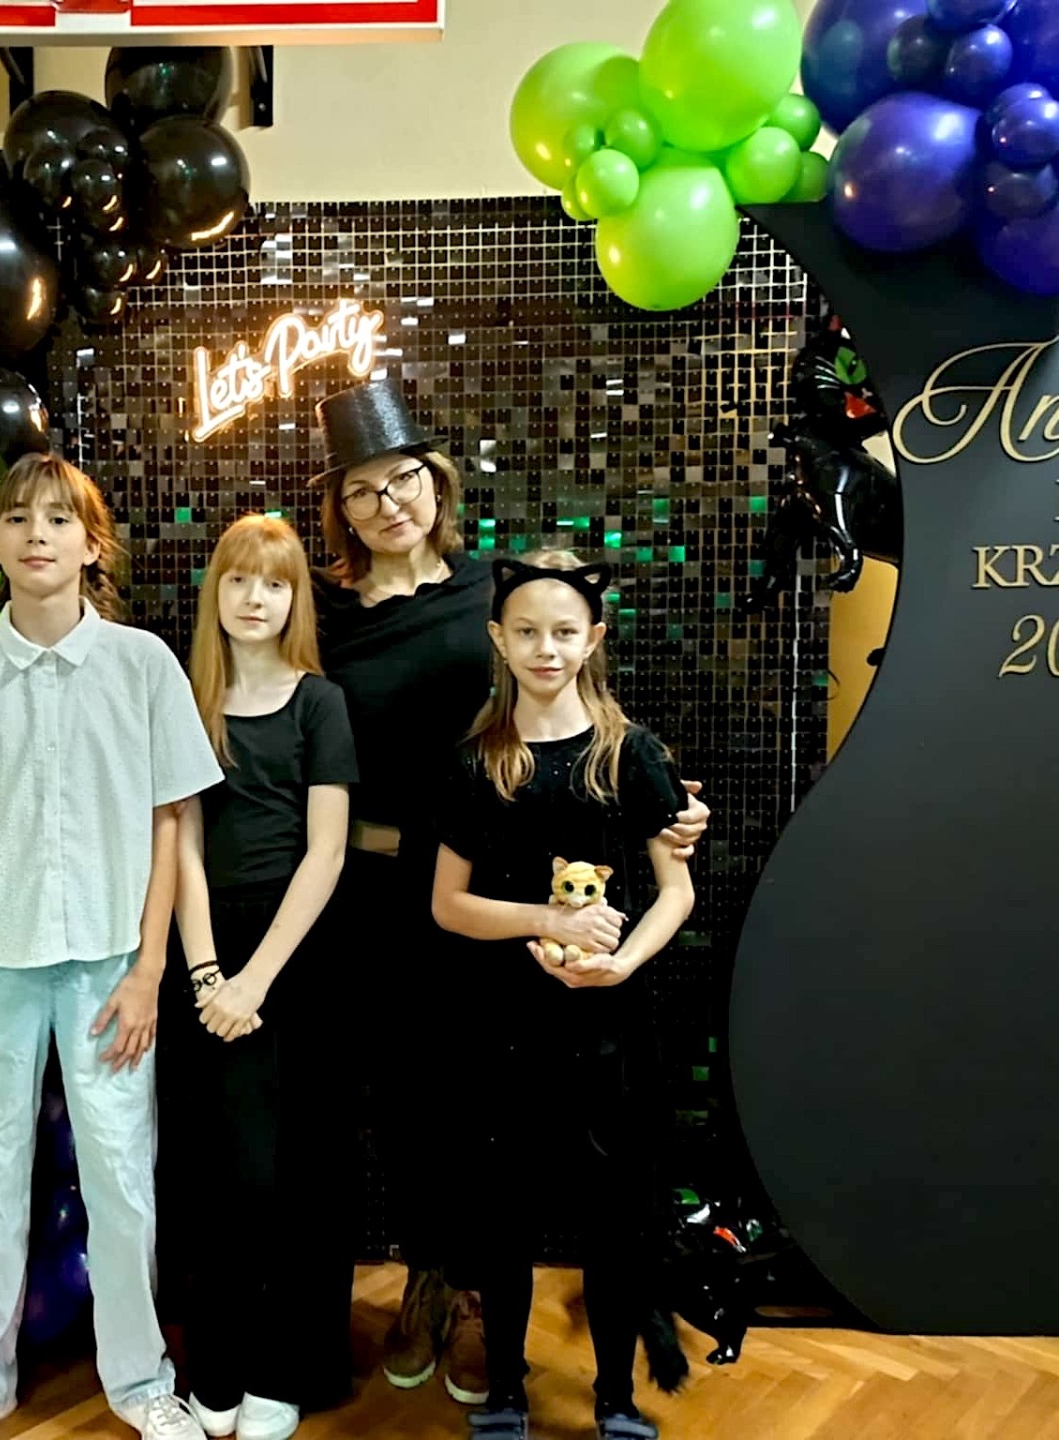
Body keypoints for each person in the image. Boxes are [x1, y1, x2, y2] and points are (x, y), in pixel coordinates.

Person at [307, 377, 712, 1406]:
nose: (387, 504)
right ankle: (429, 1279)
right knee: (400, 1100)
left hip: (493, 895)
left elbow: (578, 700)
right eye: (361, 490)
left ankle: (491, 1296)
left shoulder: (494, 592)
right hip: (371, 887)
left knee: (484, 1108)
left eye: (403, 479)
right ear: (340, 509)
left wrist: (665, 807)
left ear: (436, 483)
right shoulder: (325, 614)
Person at [0, 453, 224, 1440]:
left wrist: (151, 972)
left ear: (91, 545)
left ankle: (141, 1383)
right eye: (18, 519)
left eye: (58, 519)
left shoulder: (143, 666)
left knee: (123, 1176)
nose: (37, 534)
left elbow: (170, 823)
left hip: (112, 966)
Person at [431, 550, 697, 1440]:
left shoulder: (632, 755)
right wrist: (544, 919)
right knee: (503, 1221)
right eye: (528, 633)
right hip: (503, 1029)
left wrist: (621, 964)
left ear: (593, 640)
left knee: (615, 1223)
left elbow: (676, 892)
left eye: (563, 633)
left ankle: (615, 1397)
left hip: (610, 1029)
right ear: (499, 639)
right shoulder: (477, 762)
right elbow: (449, 905)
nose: (546, 649)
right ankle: (505, 1392)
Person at [169, 514, 359, 1440]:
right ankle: (217, 1364)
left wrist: (253, 982)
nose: (255, 598)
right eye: (240, 580)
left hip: (298, 953)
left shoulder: (320, 703)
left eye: (275, 584)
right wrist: (208, 973)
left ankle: (286, 1367)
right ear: (216, 592)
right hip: (206, 954)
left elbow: (327, 853)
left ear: (296, 601)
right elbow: (181, 845)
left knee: (292, 1174)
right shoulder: (186, 703)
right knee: (217, 1174)